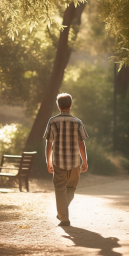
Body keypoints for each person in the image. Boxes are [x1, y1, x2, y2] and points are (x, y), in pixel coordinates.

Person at [44, 93, 88, 226]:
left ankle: (63, 215)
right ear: (71, 105)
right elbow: (81, 143)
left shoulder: (52, 121)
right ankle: (63, 216)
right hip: (75, 162)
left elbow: (49, 143)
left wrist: (48, 161)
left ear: (58, 106)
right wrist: (84, 161)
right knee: (71, 188)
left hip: (58, 161)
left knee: (60, 189)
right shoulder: (77, 122)